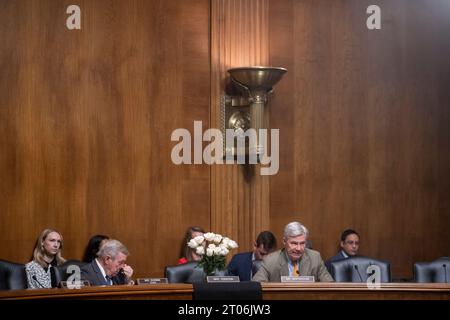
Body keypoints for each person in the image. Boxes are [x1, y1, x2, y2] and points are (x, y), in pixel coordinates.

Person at [252, 221, 333, 282]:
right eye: (294, 243)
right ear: (284, 241)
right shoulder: (271, 260)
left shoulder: (315, 258)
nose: (298, 248)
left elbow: (329, 285)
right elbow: (257, 285)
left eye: (302, 243)